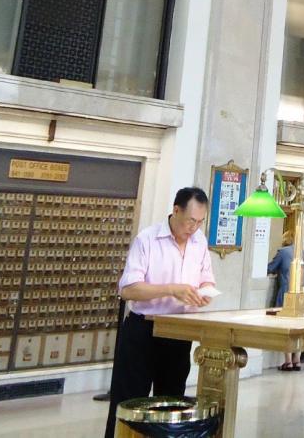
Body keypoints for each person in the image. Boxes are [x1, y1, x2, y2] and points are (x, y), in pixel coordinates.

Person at [104, 187, 215, 438]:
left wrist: (205, 292)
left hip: (177, 332)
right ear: (176, 211)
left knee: (172, 401)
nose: (194, 228)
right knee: (130, 400)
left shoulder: (199, 242)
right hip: (143, 330)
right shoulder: (148, 239)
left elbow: (207, 279)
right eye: (190, 221)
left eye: (200, 222)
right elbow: (128, 290)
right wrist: (170, 290)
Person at [268, 228, 304, 370]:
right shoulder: (301, 252)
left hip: (287, 293)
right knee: (299, 328)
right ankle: (297, 360)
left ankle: (288, 361)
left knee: (286, 327)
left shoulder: (282, 252)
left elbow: (270, 268)